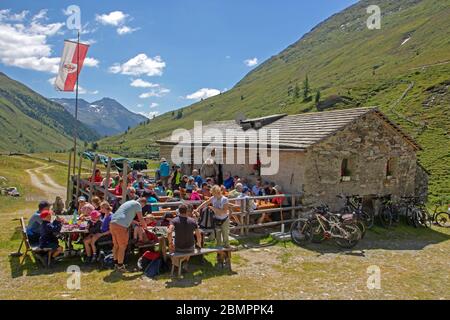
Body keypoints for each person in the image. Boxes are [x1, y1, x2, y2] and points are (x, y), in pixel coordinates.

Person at [110, 198, 148, 272]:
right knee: (122, 246)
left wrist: (135, 222)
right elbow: (141, 218)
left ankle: (116, 263)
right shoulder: (138, 205)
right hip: (120, 226)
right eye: (143, 206)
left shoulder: (128, 203)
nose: (142, 207)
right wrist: (146, 227)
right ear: (142, 203)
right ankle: (120, 266)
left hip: (112, 224)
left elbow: (124, 216)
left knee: (116, 245)